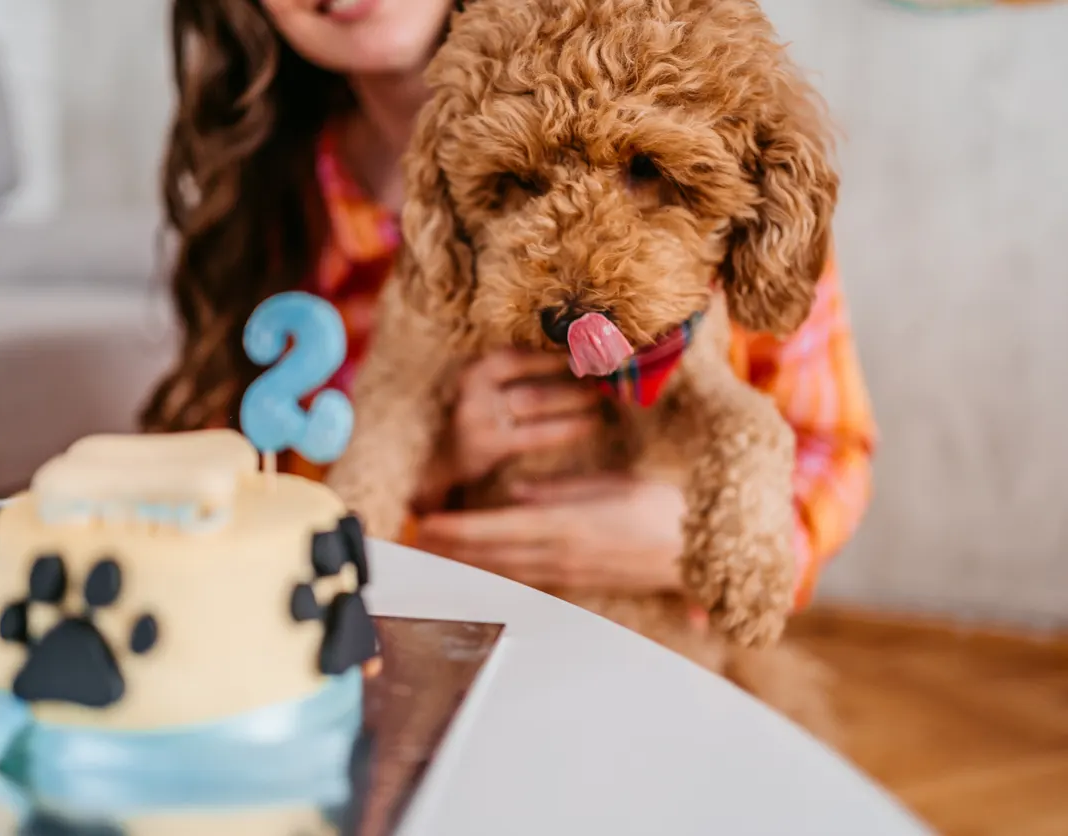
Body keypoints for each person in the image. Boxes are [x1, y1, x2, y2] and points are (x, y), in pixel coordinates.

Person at [141, 0, 877, 613]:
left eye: (643, 172)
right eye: (517, 184)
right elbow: (230, 488)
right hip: (421, 626)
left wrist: (681, 539)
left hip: (657, 640)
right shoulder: (266, 206)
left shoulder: (726, 156)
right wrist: (434, 468)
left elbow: (828, 444)